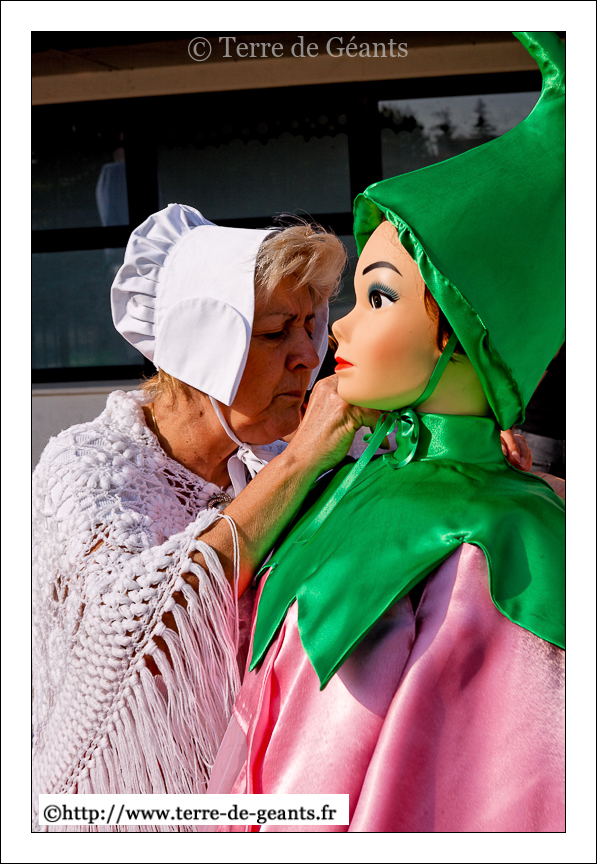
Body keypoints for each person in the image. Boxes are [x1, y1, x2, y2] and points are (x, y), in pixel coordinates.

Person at [209, 32, 565, 833]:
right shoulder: (352, 481)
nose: (336, 331)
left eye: (377, 298)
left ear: (462, 334)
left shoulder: (496, 551)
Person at [32, 206, 386, 832]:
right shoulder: (85, 465)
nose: (309, 356)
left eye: (311, 326)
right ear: (201, 347)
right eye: (276, 332)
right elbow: (136, 630)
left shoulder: (264, 457)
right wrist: (301, 459)